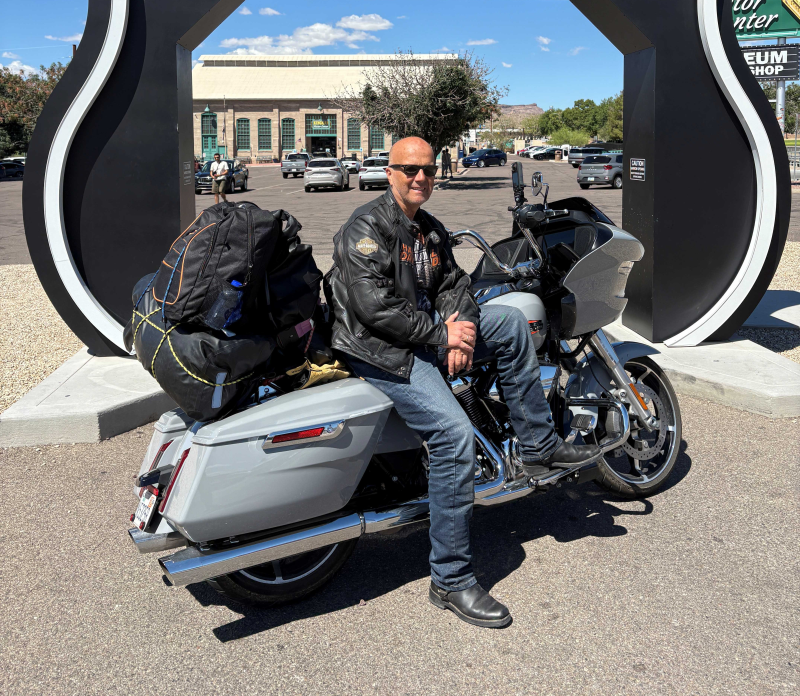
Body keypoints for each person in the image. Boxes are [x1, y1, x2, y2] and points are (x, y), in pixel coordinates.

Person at [325, 137, 600, 628]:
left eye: (428, 170)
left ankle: (538, 446)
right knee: (453, 436)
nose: (420, 178)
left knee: (511, 322)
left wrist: (462, 331)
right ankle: (450, 580)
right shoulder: (365, 228)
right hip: (381, 351)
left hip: (426, 334)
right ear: (389, 172)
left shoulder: (429, 229)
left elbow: (455, 285)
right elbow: (373, 308)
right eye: (410, 169)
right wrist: (442, 334)